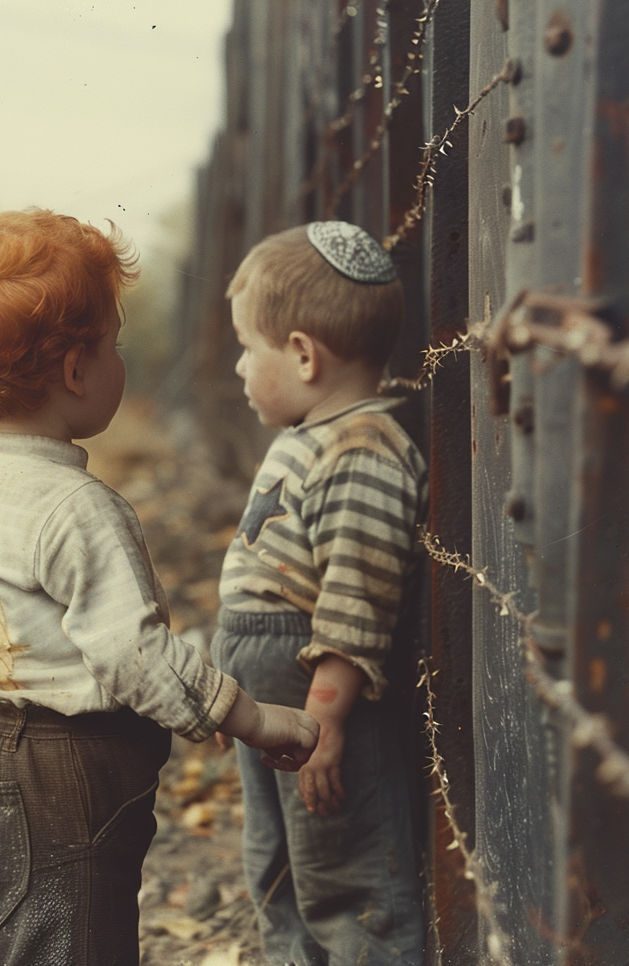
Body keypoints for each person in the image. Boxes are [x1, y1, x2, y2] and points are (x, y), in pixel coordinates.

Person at [0, 208, 319, 966]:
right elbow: (133, 654)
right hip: (57, 781)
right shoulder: (80, 508)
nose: (120, 362)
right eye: (115, 345)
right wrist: (249, 716)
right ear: (75, 370)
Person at [211, 221, 428, 966]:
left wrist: (327, 722)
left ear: (303, 354)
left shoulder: (362, 449)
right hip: (271, 693)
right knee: (275, 862)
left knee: (345, 868)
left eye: (248, 348)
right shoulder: (313, 432)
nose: (240, 369)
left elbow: (353, 600)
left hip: (314, 700)